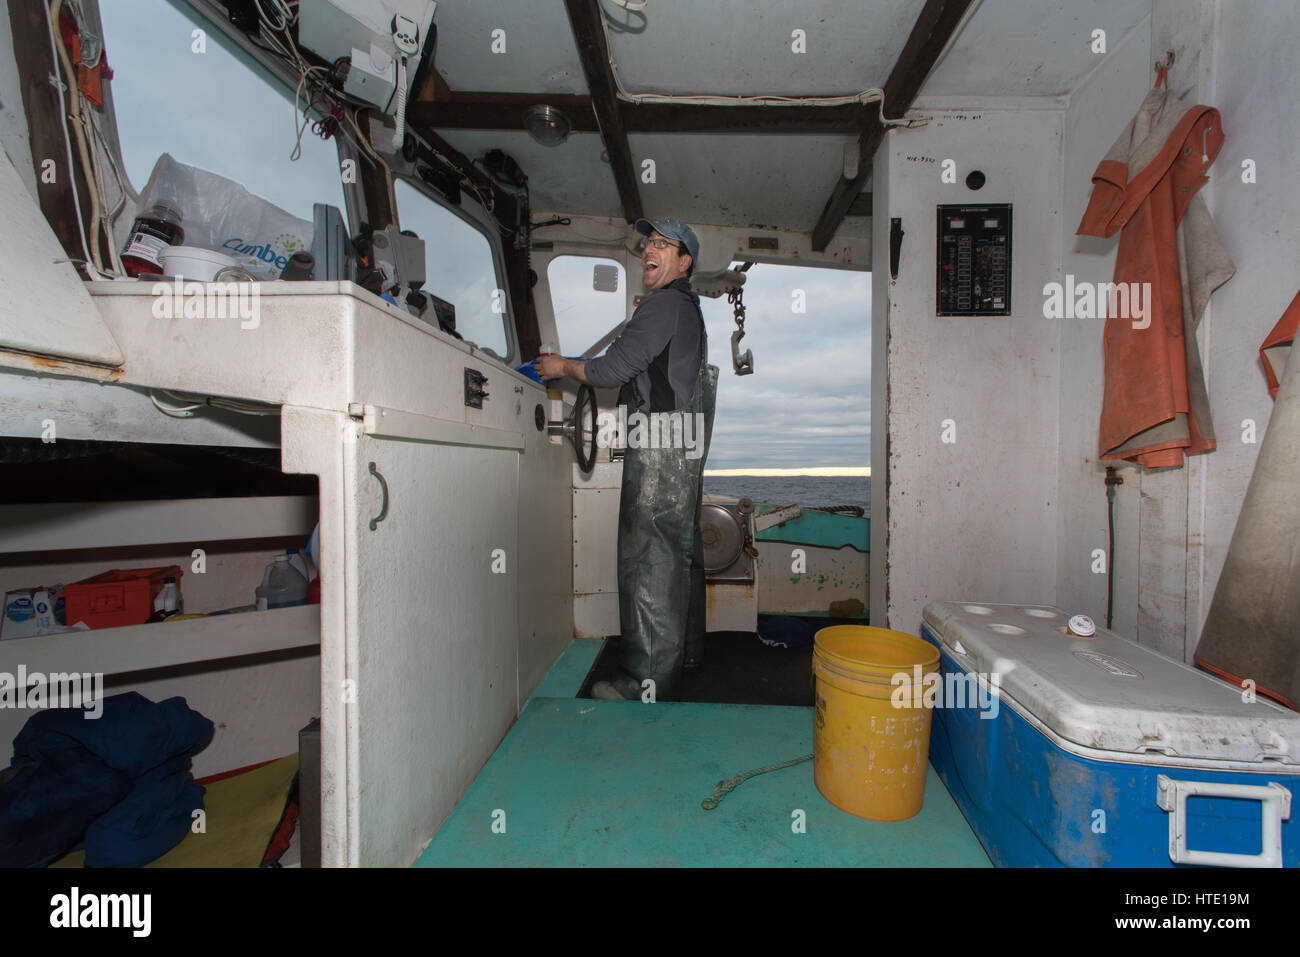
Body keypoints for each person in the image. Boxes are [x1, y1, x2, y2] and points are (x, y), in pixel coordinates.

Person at [534, 218, 718, 701]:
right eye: (648, 243)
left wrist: (559, 367)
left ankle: (645, 684)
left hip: (661, 445)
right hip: (684, 441)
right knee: (679, 549)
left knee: (649, 557)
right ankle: (685, 654)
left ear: (684, 262)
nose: (649, 250)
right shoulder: (687, 310)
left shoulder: (664, 305)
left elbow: (613, 369)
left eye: (663, 244)